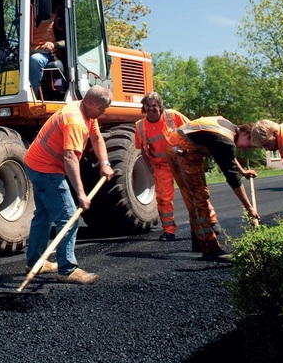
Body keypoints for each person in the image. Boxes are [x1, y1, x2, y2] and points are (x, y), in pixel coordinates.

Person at [23, 84, 115, 283]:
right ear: (92, 103)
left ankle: (35, 262)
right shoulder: (75, 120)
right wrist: (81, 193)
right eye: (103, 108)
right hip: (46, 170)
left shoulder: (87, 113)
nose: (104, 112)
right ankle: (67, 269)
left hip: (35, 164)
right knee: (69, 217)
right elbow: (70, 157)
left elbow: (97, 137)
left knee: (43, 215)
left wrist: (105, 163)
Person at [163, 116, 260, 262]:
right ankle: (210, 249)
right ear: (246, 133)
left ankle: (198, 242)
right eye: (250, 145)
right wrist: (249, 208)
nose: (247, 149)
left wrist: (243, 171)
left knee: (199, 195)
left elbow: (227, 156)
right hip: (181, 151)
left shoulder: (229, 128)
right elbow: (233, 179)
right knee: (198, 199)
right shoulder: (225, 139)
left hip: (185, 148)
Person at [134, 92, 190, 241]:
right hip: (161, 166)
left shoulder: (173, 116)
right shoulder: (139, 126)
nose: (152, 109)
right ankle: (169, 231)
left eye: (155, 106)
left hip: (181, 162)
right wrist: (150, 168)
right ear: (144, 107)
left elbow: (192, 131)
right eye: (148, 106)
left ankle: (208, 225)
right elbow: (143, 150)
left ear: (160, 106)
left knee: (194, 194)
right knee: (163, 200)